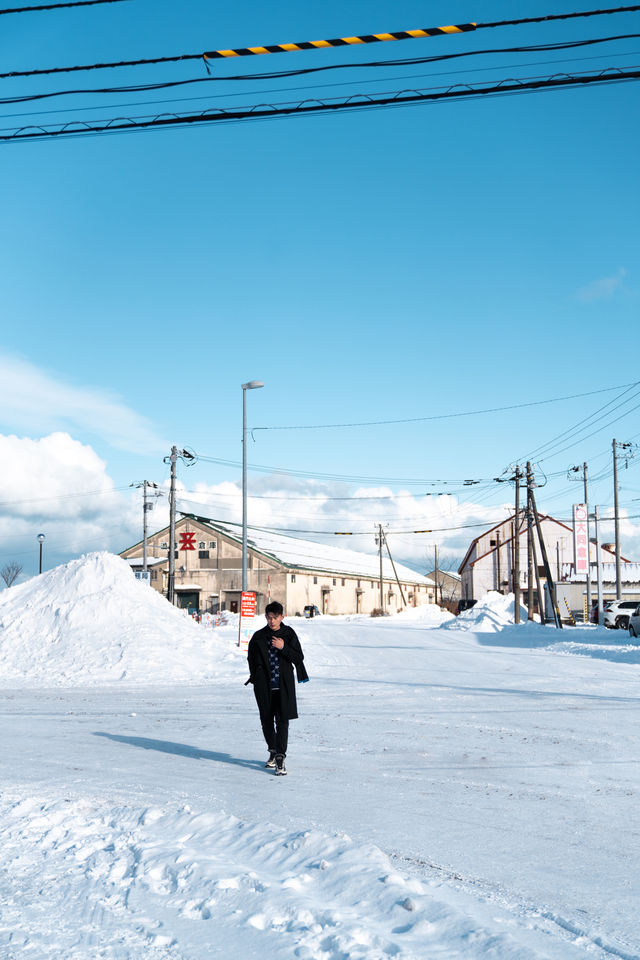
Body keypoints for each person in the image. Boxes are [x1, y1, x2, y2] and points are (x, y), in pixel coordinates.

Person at [247, 600, 308, 776]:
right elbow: (251, 660)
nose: (272, 621)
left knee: (282, 721)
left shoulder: (288, 634)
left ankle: (280, 756)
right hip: (263, 687)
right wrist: (256, 676)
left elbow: (298, 657)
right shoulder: (259, 637)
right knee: (266, 721)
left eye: (275, 617)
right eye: (269, 617)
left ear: (282, 617)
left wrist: (284, 648)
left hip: (283, 685)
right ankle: (272, 749)